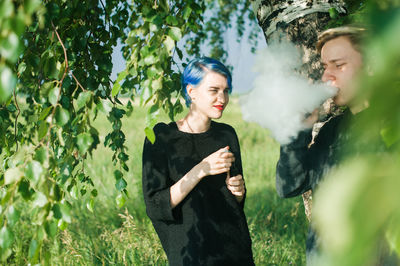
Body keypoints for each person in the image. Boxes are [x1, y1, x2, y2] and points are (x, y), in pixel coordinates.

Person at [275, 26, 380, 263]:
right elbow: (289, 186)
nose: (326, 77)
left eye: (339, 65)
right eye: (324, 67)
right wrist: (297, 132)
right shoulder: (331, 131)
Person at [142, 57, 254, 265]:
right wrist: (201, 170)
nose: (223, 98)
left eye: (226, 90)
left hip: (235, 251)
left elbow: (234, 201)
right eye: (214, 90)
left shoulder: (226, 135)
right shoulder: (162, 137)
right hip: (190, 254)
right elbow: (156, 206)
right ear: (191, 92)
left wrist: (238, 192)